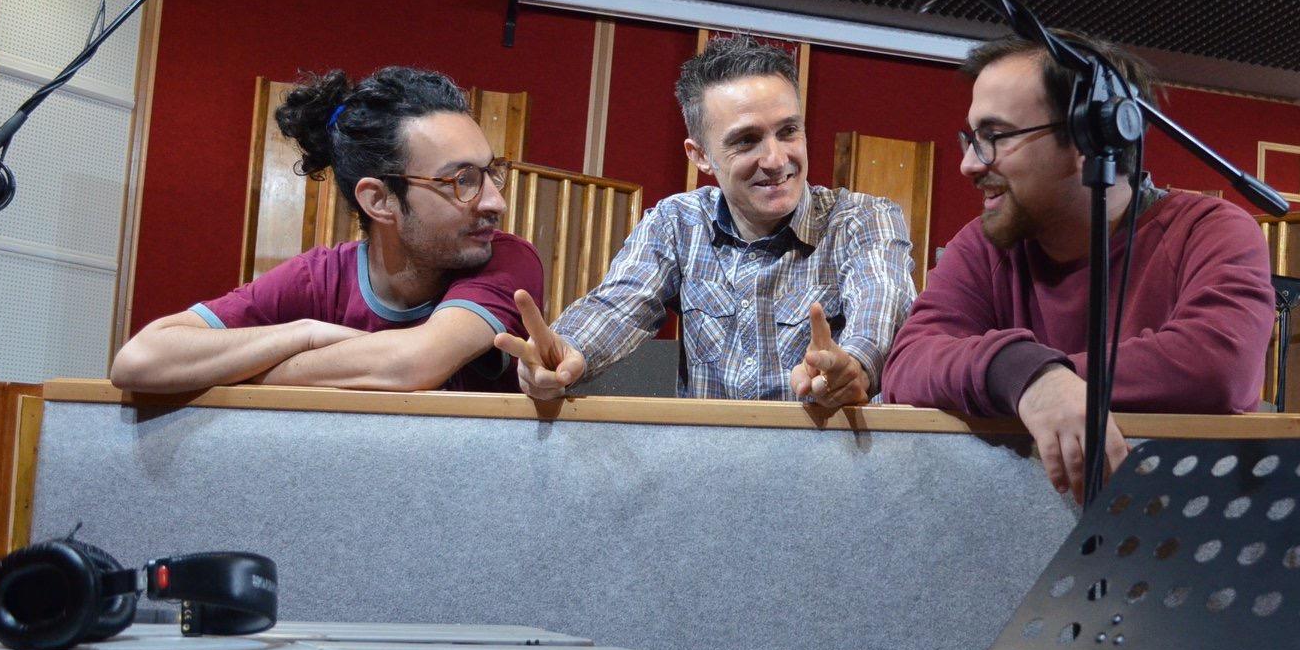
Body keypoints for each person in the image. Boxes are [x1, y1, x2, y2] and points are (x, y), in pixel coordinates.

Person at [883, 33, 1276, 500]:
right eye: (972, 138)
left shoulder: (1211, 230)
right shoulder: (983, 245)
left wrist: (1053, 380)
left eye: (994, 137)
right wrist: (1028, 375)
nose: (969, 164)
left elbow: (1217, 367)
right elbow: (908, 363)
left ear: (1089, 139)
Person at [498, 35, 914, 407]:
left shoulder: (863, 219)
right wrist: (565, 352)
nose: (775, 159)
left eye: (788, 131)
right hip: (709, 463)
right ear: (699, 155)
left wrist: (854, 365)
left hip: (831, 462)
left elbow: (880, 307)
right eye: (747, 140)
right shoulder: (677, 223)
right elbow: (617, 307)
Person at [110, 66, 543, 394]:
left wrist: (242, 372)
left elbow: (412, 363)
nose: (495, 202)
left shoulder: (506, 261)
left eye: (491, 173)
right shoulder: (318, 279)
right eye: (462, 180)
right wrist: (304, 333)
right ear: (379, 200)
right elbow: (139, 360)